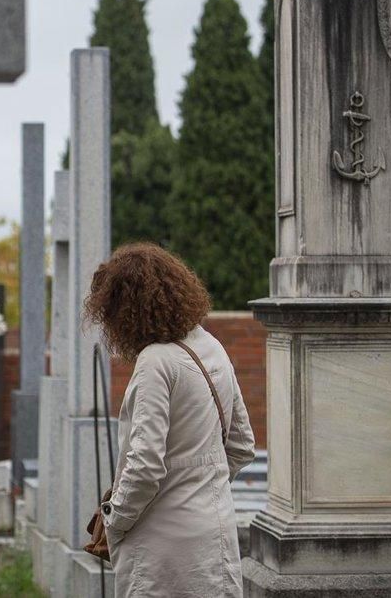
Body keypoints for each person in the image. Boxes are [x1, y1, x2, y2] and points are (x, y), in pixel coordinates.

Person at [83, 243, 256, 597]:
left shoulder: (155, 362)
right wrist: (203, 482)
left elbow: (145, 465)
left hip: (161, 545)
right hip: (214, 533)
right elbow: (242, 445)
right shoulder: (211, 346)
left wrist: (115, 521)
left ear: (126, 311)